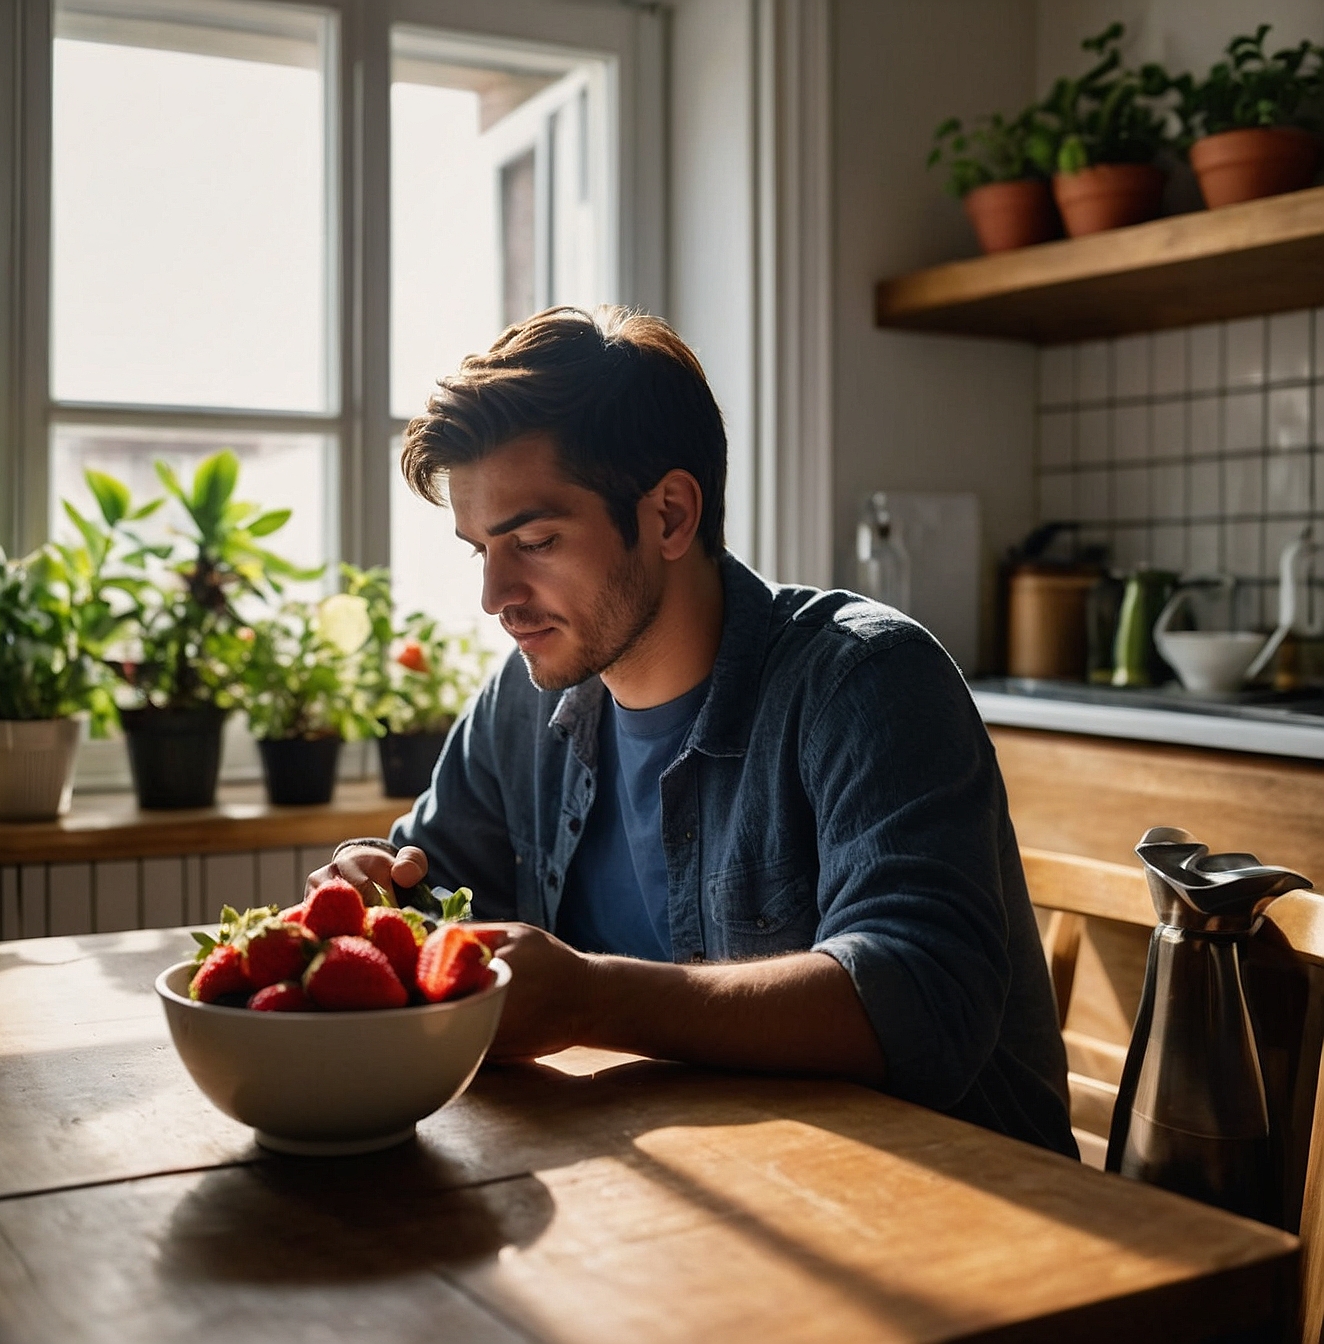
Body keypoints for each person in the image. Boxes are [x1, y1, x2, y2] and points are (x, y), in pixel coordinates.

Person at [312, 305, 1077, 1157]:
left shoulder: (865, 679)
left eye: (535, 539)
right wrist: (379, 889)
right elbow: (432, 889)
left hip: (957, 1198)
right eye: (479, 550)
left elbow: (923, 1001)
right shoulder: (522, 706)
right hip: (689, 1186)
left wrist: (592, 998)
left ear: (671, 515)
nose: (495, 597)